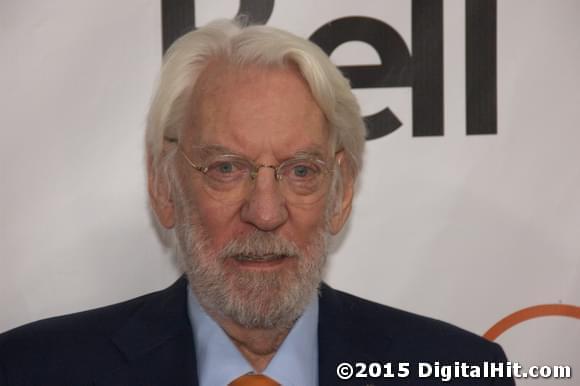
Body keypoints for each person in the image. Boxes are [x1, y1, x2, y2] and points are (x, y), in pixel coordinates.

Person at [0, 19, 513, 385]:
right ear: (164, 188)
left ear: (341, 194)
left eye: (301, 171)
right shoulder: (29, 370)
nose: (265, 213)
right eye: (226, 168)